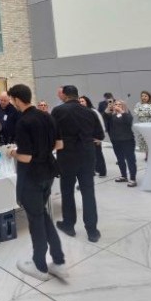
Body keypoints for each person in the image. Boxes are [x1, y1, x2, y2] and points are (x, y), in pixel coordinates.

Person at [7, 85, 67, 281]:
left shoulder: (24, 122)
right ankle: (58, 261)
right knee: (42, 215)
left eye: (12, 100)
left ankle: (39, 265)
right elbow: (59, 144)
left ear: (17, 99)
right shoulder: (47, 116)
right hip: (48, 173)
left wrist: (12, 153)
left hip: (32, 177)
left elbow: (25, 157)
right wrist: (43, 150)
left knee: (36, 220)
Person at [51, 85, 104, 243]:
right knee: (88, 192)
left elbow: (51, 134)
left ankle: (69, 225)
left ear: (64, 95)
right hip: (87, 155)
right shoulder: (89, 112)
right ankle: (92, 231)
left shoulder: (58, 111)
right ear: (76, 95)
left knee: (67, 191)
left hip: (67, 155)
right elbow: (100, 134)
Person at [107, 100, 137, 187]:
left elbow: (128, 121)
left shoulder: (126, 114)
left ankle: (133, 179)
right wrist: (108, 109)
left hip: (127, 140)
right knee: (120, 159)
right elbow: (105, 122)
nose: (117, 105)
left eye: (120, 104)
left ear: (123, 106)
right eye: (116, 104)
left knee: (130, 160)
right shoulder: (112, 115)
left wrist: (121, 111)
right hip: (116, 141)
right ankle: (124, 176)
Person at [80, 96, 107, 178]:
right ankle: (93, 170)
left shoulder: (94, 111)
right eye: (79, 101)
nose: (81, 103)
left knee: (98, 154)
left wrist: (100, 138)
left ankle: (102, 171)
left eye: (82, 101)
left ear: (87, 102)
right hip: (86, 138)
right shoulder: (80, 112)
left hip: (95, 137)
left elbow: (101, 124)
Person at [133, 90, 151, 161]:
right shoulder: (138, 104)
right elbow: (135, 113)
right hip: (142, 125)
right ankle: (147, 155)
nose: (144, 97)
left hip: (150, 125)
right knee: (144, 141)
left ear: (149, 97)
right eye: (142, 96)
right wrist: (144, 112)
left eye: (145, 96)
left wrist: (141, 111)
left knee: (150, 140)